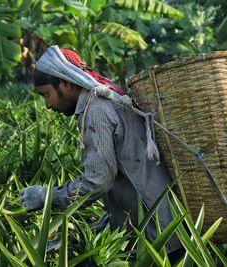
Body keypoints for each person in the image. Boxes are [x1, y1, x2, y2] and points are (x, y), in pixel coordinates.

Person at [20, 46, 183, 263]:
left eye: (46, 94)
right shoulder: (105, 99)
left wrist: (47, 197)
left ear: (66, 83)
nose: (47, 105)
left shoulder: (96, 109)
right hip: (166, 226)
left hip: (156, 236)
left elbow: (97, 182)